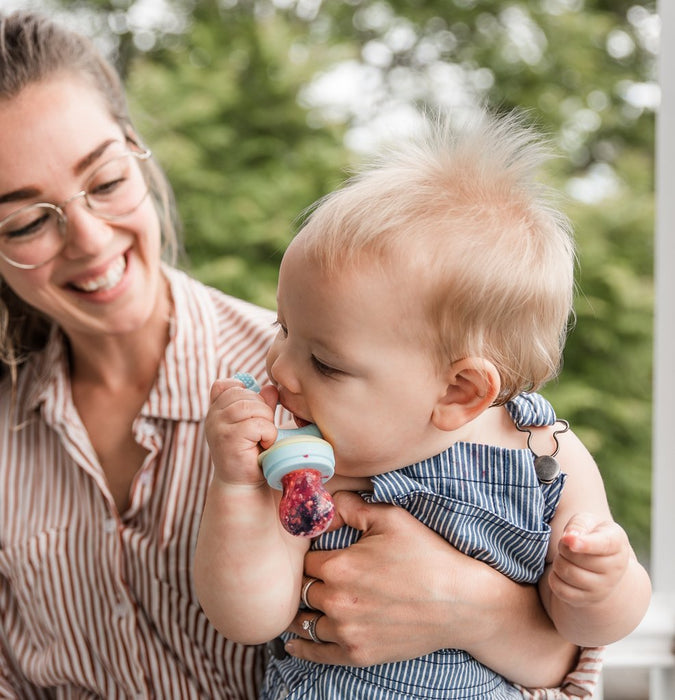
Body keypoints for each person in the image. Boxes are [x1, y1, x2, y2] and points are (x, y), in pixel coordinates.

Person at [0, 8, 605, 698]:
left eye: (105, 183)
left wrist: (473, 613)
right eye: (24, 220)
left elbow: (570, 671)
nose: (88, 239)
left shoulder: (345, 388)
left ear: (140, 154)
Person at [194, 111, 651, 699]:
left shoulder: (545, 455)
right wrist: (235, 490)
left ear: (459, 392)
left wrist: (604, 586)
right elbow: (247, 617)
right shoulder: (305, 465)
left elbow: (584, 631)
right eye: (283, 329)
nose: (281, 369)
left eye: (326, 363)